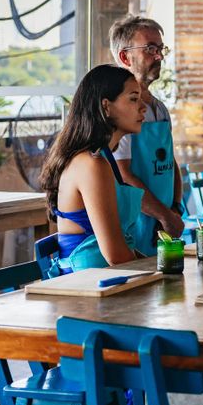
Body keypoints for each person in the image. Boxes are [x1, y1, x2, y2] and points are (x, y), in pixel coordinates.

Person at [38, 65, 145, 274]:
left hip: (108, 282)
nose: (143, 107)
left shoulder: (104, 158)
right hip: (84, 292)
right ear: (106, 106)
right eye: (133, 99)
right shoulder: (91, 164)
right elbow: (116, 256)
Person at [109, 15, 184, 256]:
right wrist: (164, 215)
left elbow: (171, 163)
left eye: (161, 49)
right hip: (136, 224)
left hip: (164, 223)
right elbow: (123, 174)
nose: (159, 56)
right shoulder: (119, 112)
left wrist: (175, 211)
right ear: (124, 57)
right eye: (150, 49)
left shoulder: (159, 108)